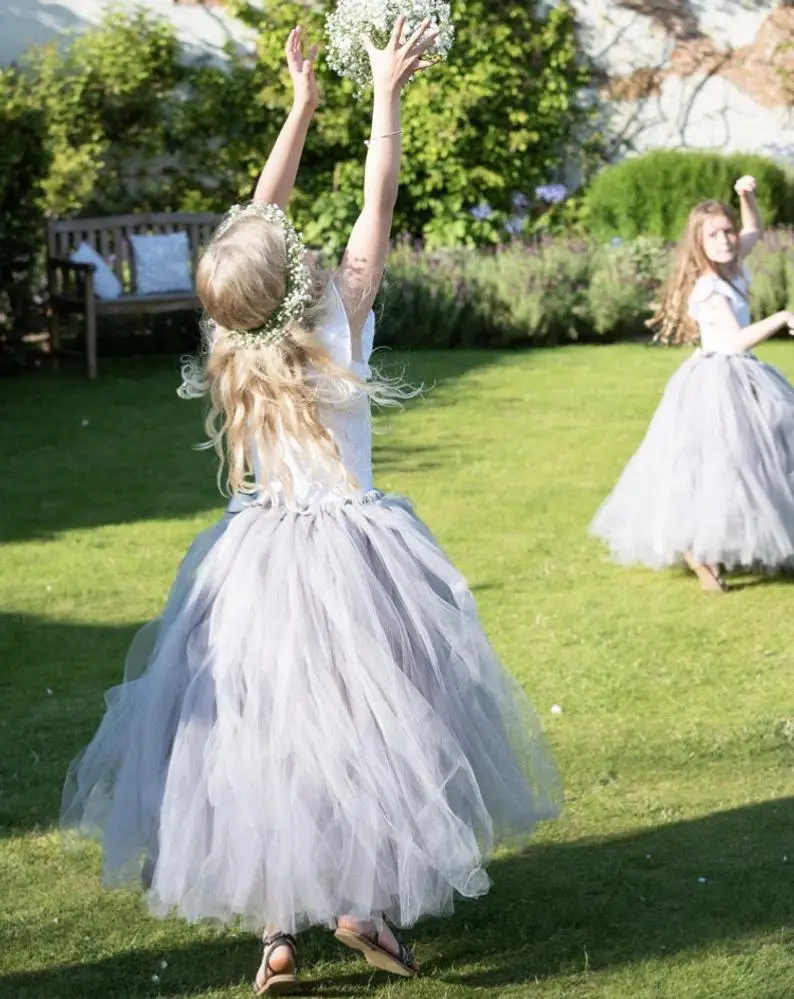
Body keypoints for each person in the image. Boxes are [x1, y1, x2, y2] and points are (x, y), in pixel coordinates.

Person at [62, 22, 561, 995]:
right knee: (373, 732)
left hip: (256, 564)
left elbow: (254, 226)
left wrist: (298, 105)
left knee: (268, 739)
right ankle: (361, 909)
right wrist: (383, 92)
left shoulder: (235, 344)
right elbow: (377, 194)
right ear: (301, 278)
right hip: (358, 559)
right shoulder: (342, 320)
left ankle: (275, 939)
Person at [590, 176, 794, 592]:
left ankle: (724, 542)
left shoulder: (733, 264)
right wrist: (781, 317)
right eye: (714, 235)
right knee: (724, 464)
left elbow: (754, 228)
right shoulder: (708, 287)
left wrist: (746, 198)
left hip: (746, 376)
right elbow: (735, 341)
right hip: (719, 380)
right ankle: (700, 549)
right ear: (698, 243)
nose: (725, 240)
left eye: (727, 231)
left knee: (761, 456)